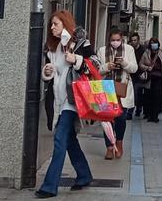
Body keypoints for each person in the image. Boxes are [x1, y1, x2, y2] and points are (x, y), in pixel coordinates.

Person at [36, 11, 94, 198]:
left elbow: (95, 65)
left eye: (55, 24)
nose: (52, 27)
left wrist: (76, 60)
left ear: (65, 24)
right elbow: (49, 76)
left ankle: (49, 186)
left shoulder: (80, 44)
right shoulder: (51, 48)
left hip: (72, 100)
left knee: (60, 139)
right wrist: (47, 71)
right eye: (51, 24)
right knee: (69, 139)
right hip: (57, 101)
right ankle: (84, 174)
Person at [95, 27, 137, 160]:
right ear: (109, 40)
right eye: (113, 40)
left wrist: (123, 63)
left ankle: (119, 141)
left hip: (122, 88)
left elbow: (134, 68)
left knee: (121, 118)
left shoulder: (129, 50)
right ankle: (109, 147)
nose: (115, 42)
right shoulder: (102, 51)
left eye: (118, 40)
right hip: (106, 88)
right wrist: (107, 66)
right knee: (107, 119)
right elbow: (96, 70)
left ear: (122, 39)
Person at [137, 37, 162, 122]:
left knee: (157, 98)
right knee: (149, 97)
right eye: (152, 43)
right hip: (149, 79)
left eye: (155, 43)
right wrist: (147, 68)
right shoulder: (146, 53)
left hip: (160, 79)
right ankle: (149, 115)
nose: (153, 44)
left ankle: (155, 116)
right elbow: (140, 64)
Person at [127, 33, 145, 119]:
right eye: (132, 40)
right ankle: (130, 112)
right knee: (132, 93)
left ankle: (138, 108)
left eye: (135, 40)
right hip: (131, 75)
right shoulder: (129, 50)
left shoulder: (143, 50)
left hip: (139, 75)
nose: (133, 42)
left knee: (137, 93)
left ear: (138, 41)